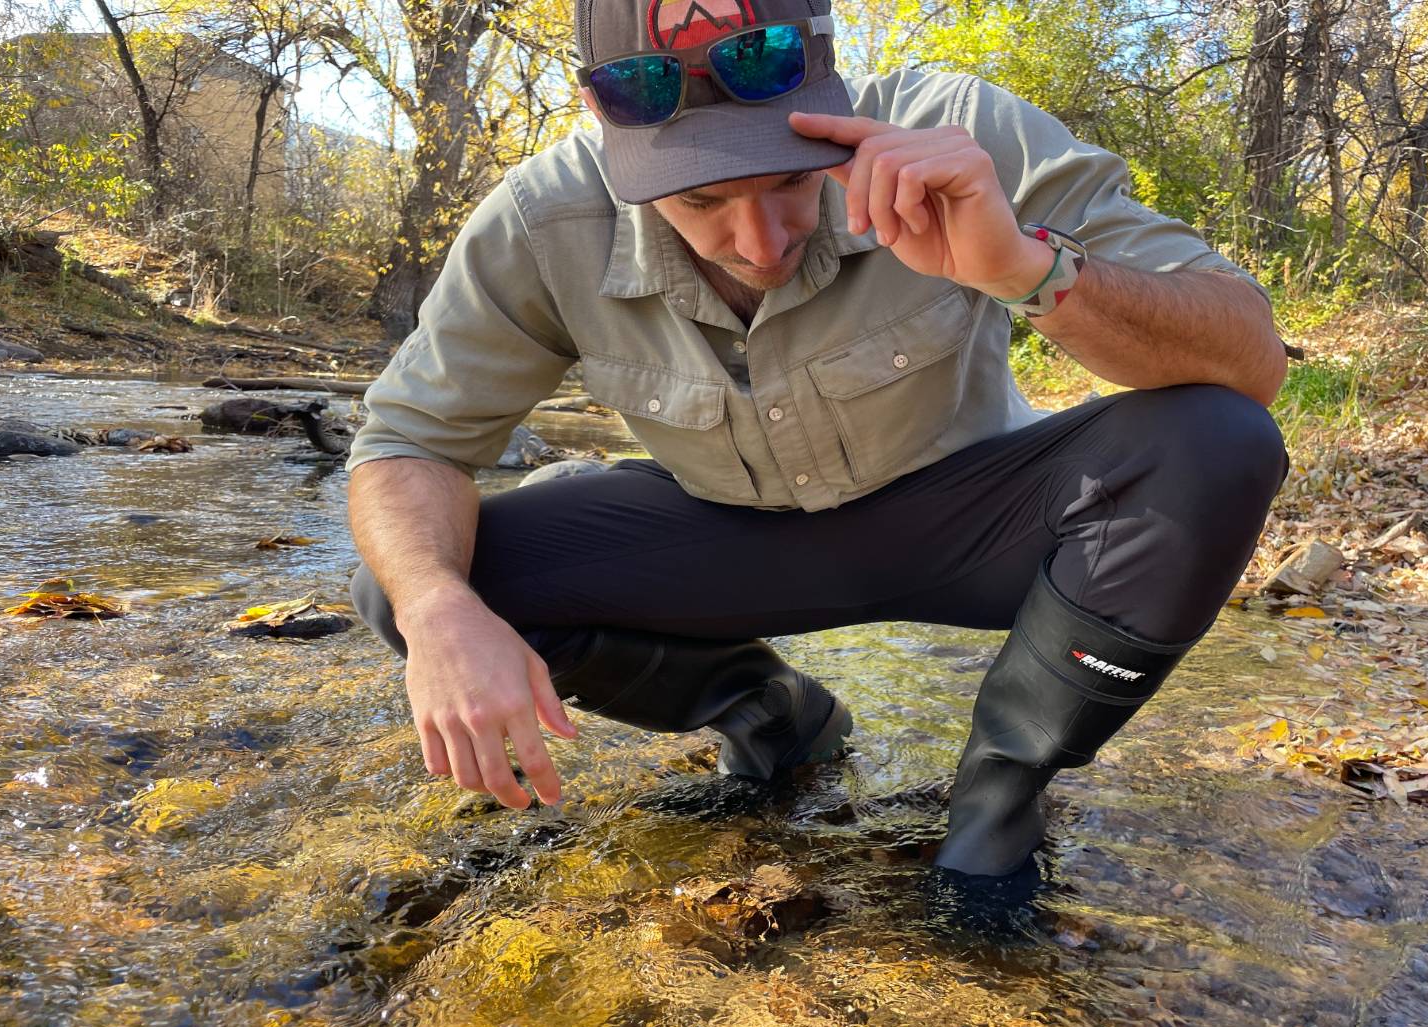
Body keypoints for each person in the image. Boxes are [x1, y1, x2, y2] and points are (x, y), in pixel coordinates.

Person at [347, 0, 1289, 879]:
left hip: (980, 525)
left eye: (792, 180)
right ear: (614, 140)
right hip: (727, 539)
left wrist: (1027, 268)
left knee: (1218, 437)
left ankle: (998, 800)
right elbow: (406, 441)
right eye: (699, 200)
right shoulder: (541, 221)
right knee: (418, 584)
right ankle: (769, 712)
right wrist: (436, 610)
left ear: (833, 86)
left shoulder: (957, 129)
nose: (759, 242)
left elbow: (1249, 357)